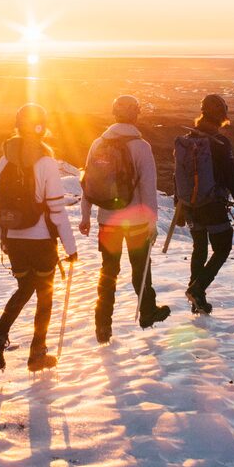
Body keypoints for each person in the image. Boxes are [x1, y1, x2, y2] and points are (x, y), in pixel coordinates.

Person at [0, 104, 78, 372]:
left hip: (14, 238)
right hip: (40, 239)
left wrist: (4, 237)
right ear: (41, 127)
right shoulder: (46, 161)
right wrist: (70, 248)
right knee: (45, 296)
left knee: (24, 289)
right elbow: (57, 209)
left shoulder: (5, 159)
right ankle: (37, 353)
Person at [79, 95, 170, 342]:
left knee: (108, 270)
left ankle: (102, 325)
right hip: (136, 222)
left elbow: (88, 183)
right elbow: (149, 189)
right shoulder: (141, 147)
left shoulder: (98, 143)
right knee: (141, 268)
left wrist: (85, 215)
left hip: (106, 220)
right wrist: (152, 224)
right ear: (135, 114)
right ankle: (147, 312)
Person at [179, 94, 234, 314]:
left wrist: (179, 204)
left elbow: (178, 174)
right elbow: (231, 177)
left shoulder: (187, 139)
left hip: (191, 205)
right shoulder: (220, 143)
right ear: (221, 115)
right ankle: (198, 290)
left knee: (199, 249)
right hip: (213, 205)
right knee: (222, 247)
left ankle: (196, 300)